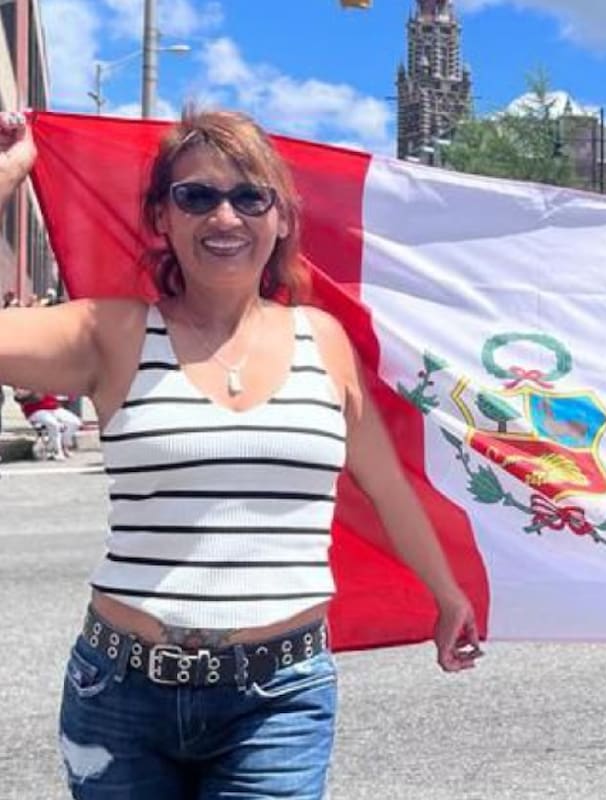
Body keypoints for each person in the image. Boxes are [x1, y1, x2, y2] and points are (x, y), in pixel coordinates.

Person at [0, 108, 482, 798]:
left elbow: (384, 484)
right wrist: (9, 173)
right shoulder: (111, 332)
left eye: (249, 196)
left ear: (282, 218)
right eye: (195, 195)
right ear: (162, 217)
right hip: (119, 693)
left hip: (279, 700)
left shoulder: (325, 341)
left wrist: (446, 593)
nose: (224, 217)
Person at [13, 386, 80, 460]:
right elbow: (17, 397)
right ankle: (56, 451)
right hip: (35, 410)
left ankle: (64, 445)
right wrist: (28, 393)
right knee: (53, 424)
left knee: (75, 422)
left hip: (54, 407)